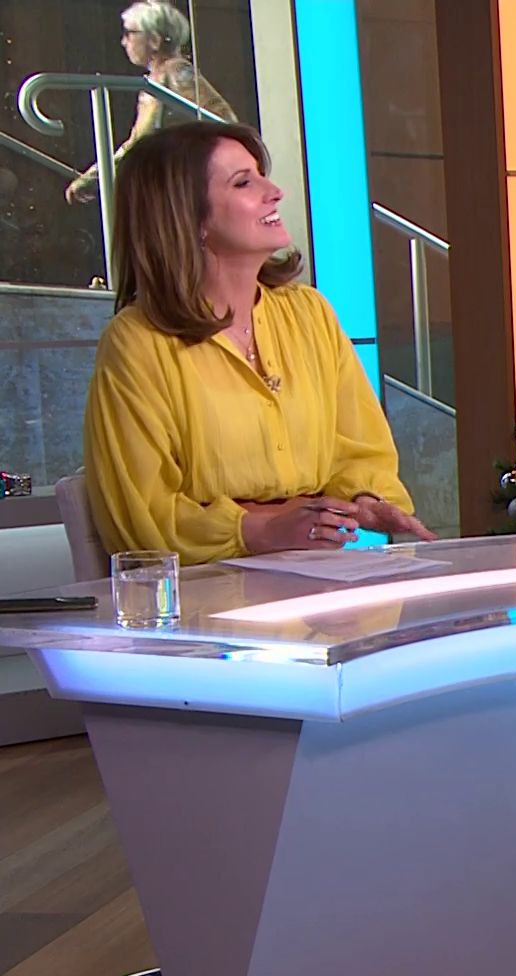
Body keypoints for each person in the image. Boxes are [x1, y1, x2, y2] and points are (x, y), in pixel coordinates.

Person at [83, 121, 434, 565]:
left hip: (317, 572)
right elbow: (142, 515)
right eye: (243, 182)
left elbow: (358, 448)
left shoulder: (310, 314)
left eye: (261, 175)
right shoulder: (137, 342)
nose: (275, 192)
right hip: (205, 588)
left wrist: (363, 499)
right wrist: (259, 529)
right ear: (188, 218)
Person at [67, 1, 237, 205]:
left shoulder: (174, 72)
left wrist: (94, 177)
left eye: (129, 34)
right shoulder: (159, 78)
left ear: (154, 40)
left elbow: (224, 121)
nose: (124, 42)